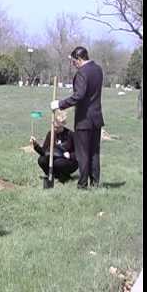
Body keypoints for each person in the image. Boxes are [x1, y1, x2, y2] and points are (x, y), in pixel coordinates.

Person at [50, 46, 105, 189]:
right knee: (94, 152)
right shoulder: (98, 70)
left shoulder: (82, 73)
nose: (73, 64)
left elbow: (79, 96)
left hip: (84, 120)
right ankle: (95, 183)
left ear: (80, 59)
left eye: (74, 61)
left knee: (83, 153)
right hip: (96, 118)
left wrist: (59, 104)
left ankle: (82, 185)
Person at [30, 110, 78, 182]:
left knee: (58, 163)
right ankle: (52, 175)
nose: (55, 129)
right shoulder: (51, 133)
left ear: (62, 125)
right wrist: (35, 145)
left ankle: (65, 176)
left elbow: (79, 153)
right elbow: (43, 152)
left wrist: (70, 155)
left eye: (57, 127)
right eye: (54, 126)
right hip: (55, 159)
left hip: (69, 162)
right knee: (41, 160)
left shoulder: (70, 134)